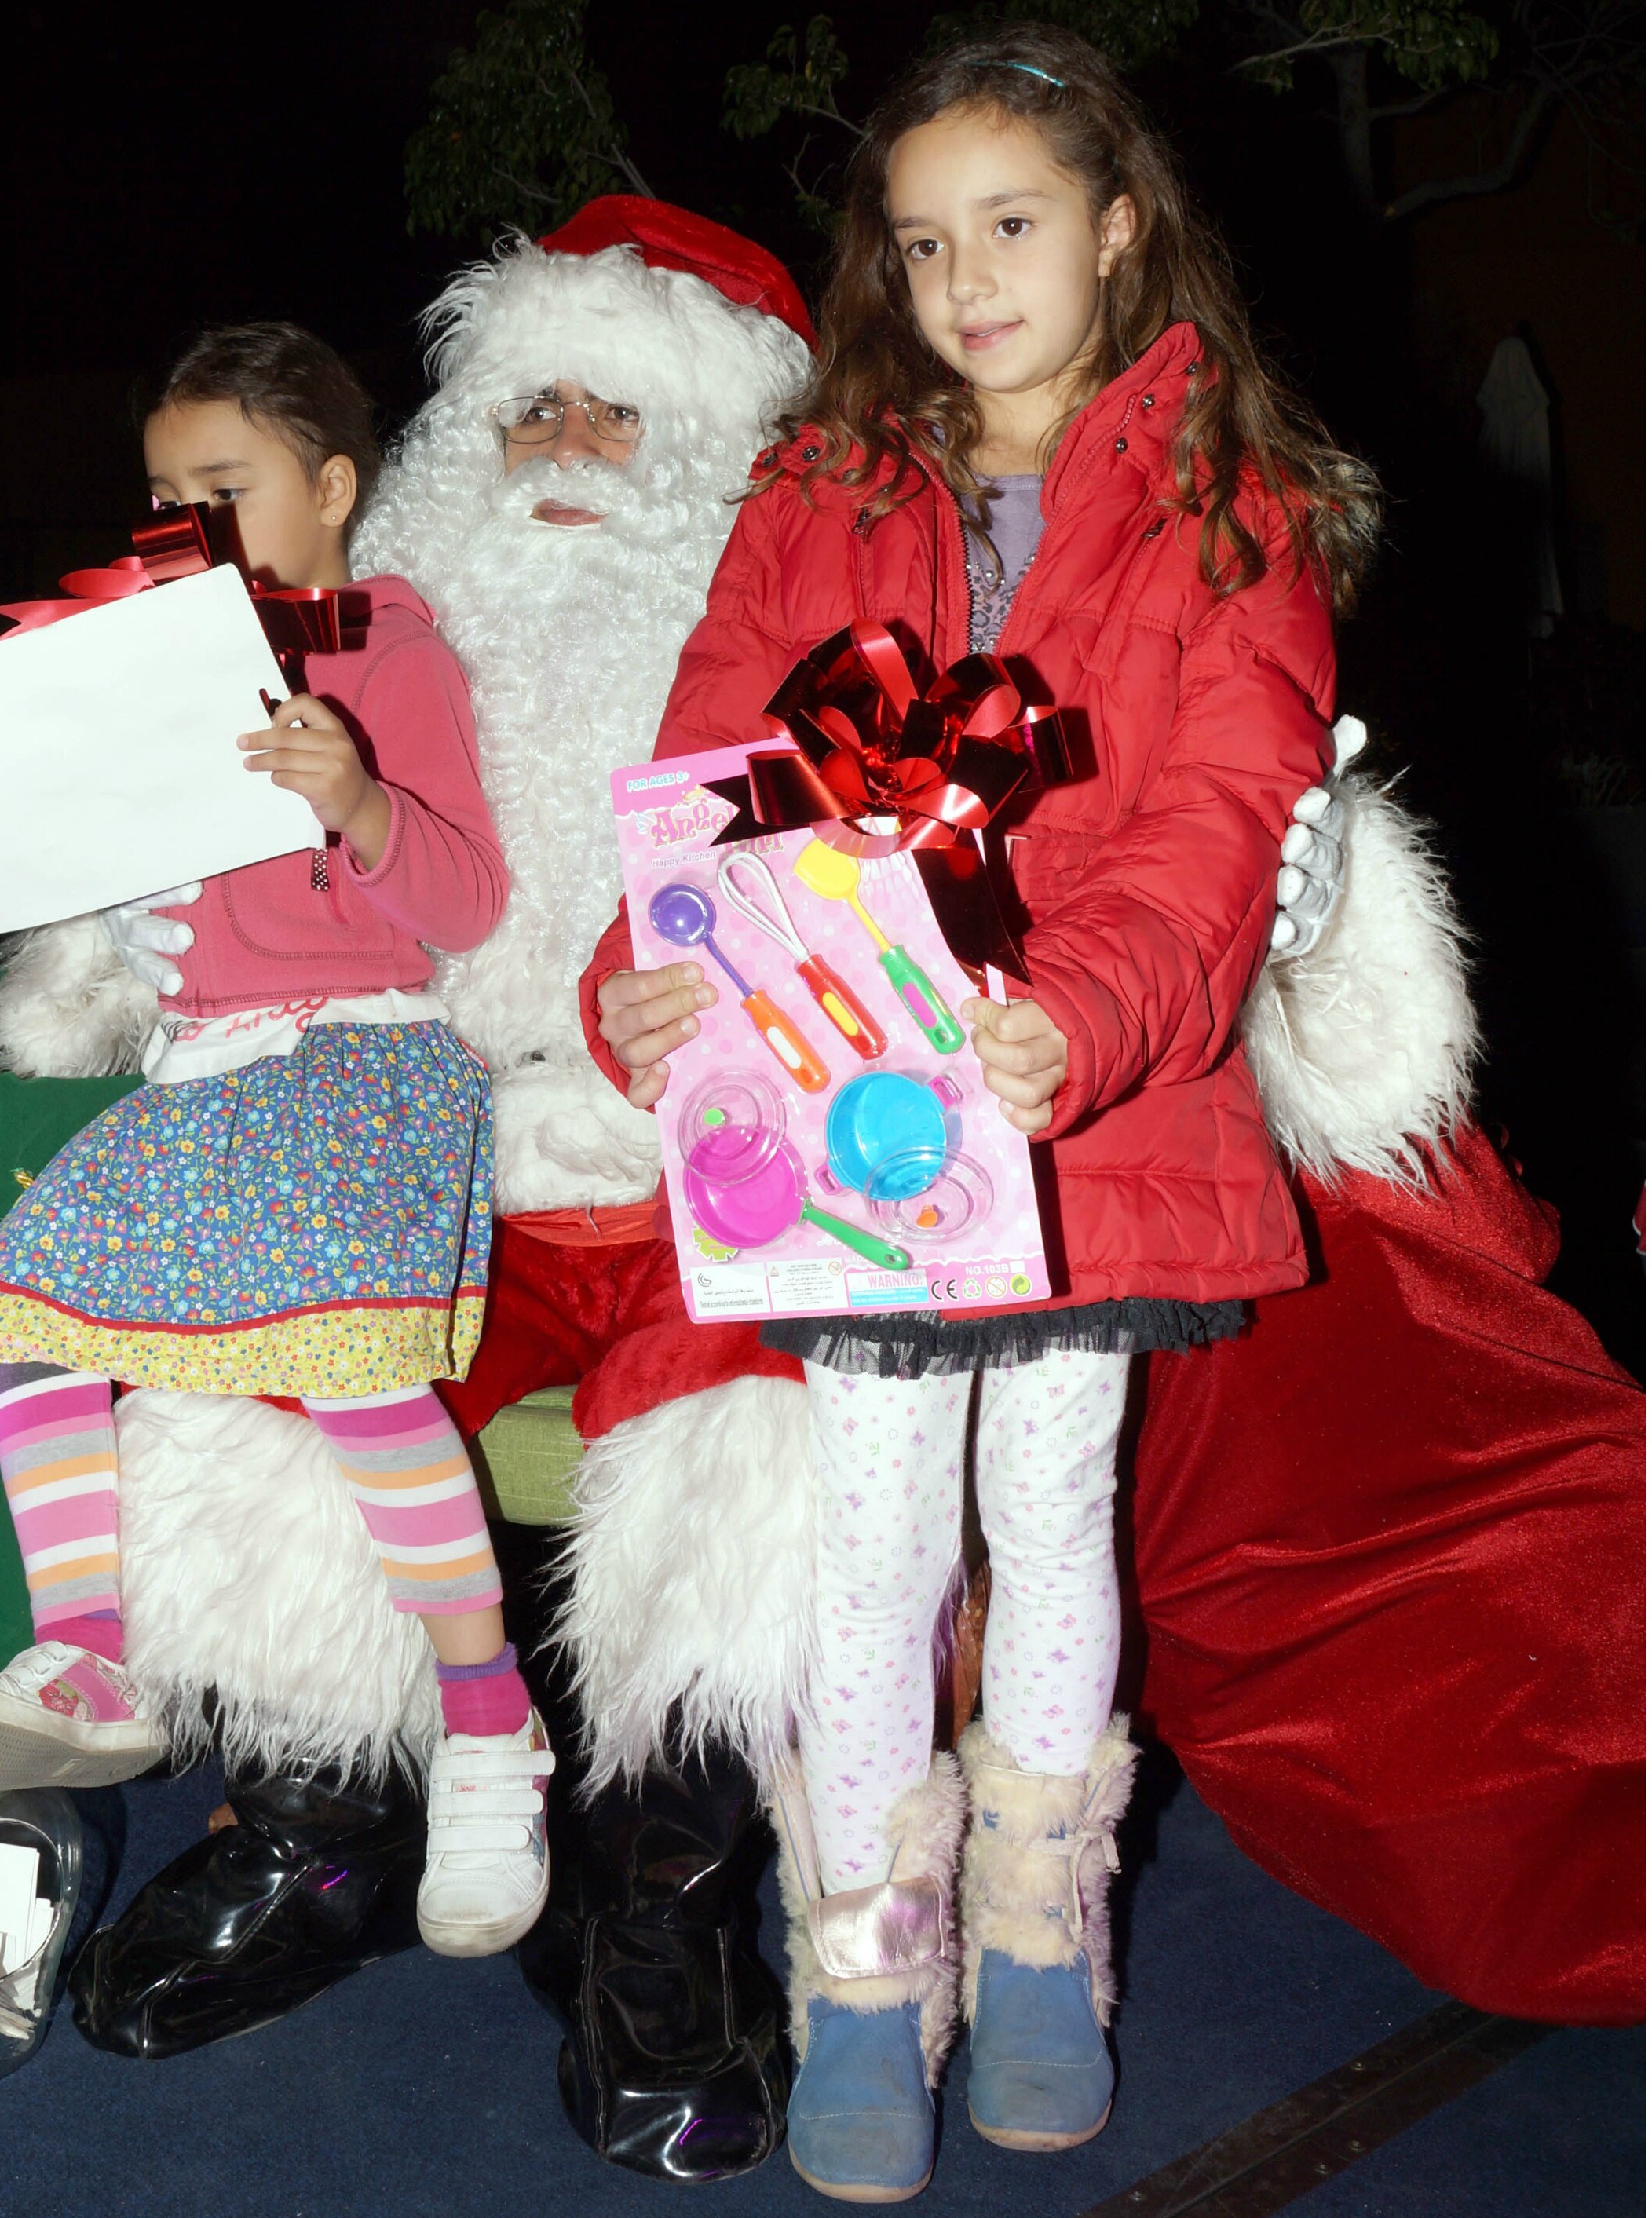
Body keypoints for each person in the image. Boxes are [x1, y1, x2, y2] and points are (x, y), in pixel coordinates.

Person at [0, 200, 1357, 2179]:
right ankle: (319, 1836)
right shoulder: (357, 626)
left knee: (755, 1468)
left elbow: (1136, 793)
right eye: (520, 401)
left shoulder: (818, 591)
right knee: (251, 1407)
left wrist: (1316, 899)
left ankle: (668, 1912)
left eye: (613, 412)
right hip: (432, 1128)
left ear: (714, 446)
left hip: (742, 1161)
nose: (555, 443)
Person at [584, 30, 1377, 2197]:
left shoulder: (1233, 505)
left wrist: (1088, 1014)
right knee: (865, 1546)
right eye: (925, 244)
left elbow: (1221, 810)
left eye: (1012, 226)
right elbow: (709, 762)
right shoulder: (818, 486)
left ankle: (1036, 1935)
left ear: (1122, 227)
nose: (966, 279)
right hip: (848, 1132)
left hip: (1085, 1127)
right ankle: (861, 1960)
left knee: (1048, 1516)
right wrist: (645, 975)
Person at [0, 323, 560, 1963]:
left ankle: (488, 1727)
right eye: (158, 489)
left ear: (332, 488)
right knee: (25, 1306)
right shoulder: (144, 658)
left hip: (355, 1063)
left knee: (349, 1364)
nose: (181, 517)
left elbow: (464, 902)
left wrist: (358, 801)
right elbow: (57, 841)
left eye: (225, 484)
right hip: (200, 1079)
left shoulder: (386, 646)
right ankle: (89, 1655)